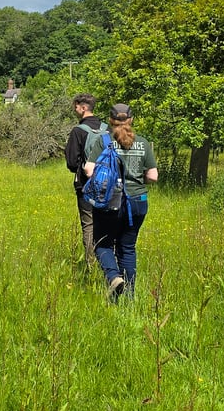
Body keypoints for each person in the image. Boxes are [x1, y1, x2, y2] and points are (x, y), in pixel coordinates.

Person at [84, 103, 158, 301]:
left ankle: (114, 277)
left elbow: (89, 170)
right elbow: (153, 176)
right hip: (138, 202)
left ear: (110, 120)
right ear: (131, 120)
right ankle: (129, 296)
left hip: (110, 202)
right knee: (127, 247)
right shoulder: (142, 142)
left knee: (102, 244)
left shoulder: (104, 141)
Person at [65, 93, 107, 262]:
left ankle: (91, 264)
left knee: (88, 225)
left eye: (75, 107)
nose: (75, 110)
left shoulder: (78, 131)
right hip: (109, 185)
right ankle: (108, 262)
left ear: (83, 108)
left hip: (86, 186)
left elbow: (71, 163)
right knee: (106, 224)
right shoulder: (107, 129)